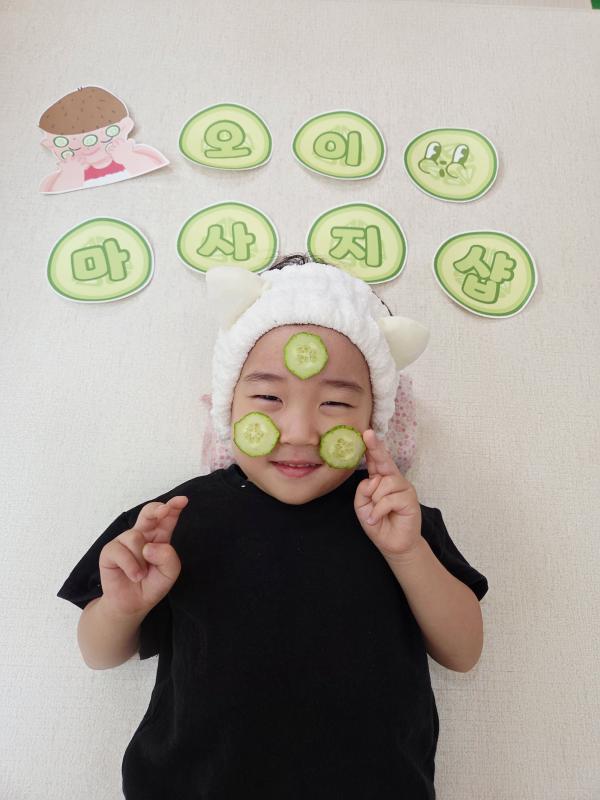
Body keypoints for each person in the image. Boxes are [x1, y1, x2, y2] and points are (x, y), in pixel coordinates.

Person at [57, 254, 489, 799]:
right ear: (228, 405)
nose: (300, 431)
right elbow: (99, 654)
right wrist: (123, 606)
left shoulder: (397, 518)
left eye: (336, 402)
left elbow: (463, 652)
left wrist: (408, 554)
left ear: (373, 418)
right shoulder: (173, 520)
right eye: (267, 397)